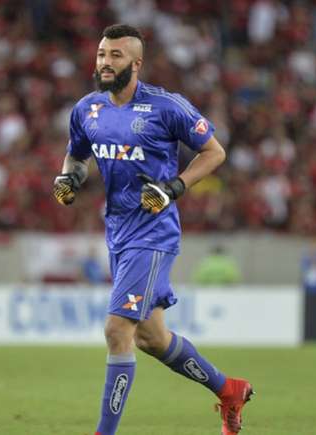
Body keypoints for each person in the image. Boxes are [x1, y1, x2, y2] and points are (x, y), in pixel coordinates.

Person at [52, 24, 252, 435]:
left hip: (153, 231)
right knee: (152, 337)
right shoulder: (87, 109)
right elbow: (76, 157)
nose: (106, 63)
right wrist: (69, 179)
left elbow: (214, 152)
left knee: (116, 330)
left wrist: (174, 187)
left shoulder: (166, 107)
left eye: (116, 56)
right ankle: (229, 389)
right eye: (102, 55)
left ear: (137, 64)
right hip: (118, 231)